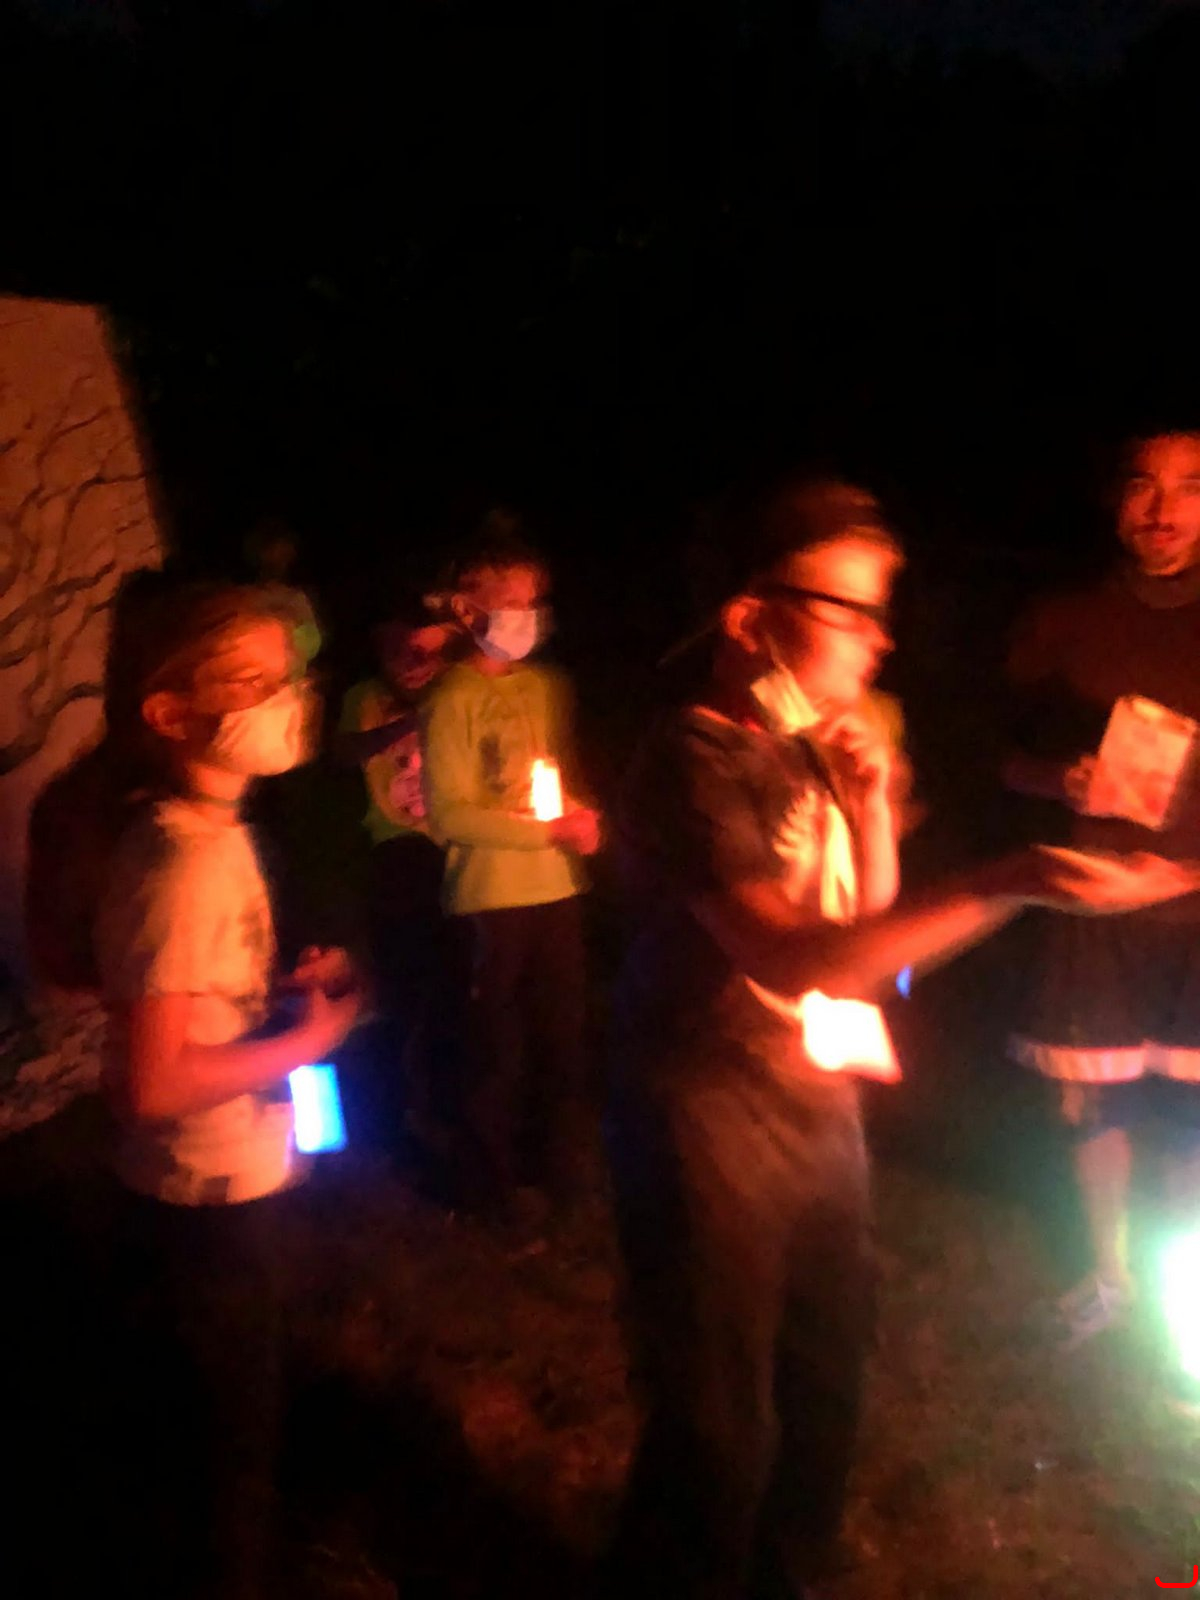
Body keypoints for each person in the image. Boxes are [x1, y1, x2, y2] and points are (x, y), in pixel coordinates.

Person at [604, 475, 1200, 1600]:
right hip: (704, 1107)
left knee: (825, 1379)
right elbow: (789, 957)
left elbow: (864, 934)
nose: (882, 639)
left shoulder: (810, 744)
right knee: (719, 1420)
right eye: (853, 610)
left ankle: (789, 1573)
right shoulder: (694, 760)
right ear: (751, 618)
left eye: (886, 611)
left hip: (814, 1098)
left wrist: (873, 804)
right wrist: (1013, 878)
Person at [30, 573, 364, 1599]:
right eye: (251, 682)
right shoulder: (180, 861)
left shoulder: (206, 833)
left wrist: (271, 996)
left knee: (221, 1448)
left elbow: (171, 998)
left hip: (217, 1191)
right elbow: (153, 1081)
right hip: (206, 1208)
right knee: (224, 1476)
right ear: (172, 714)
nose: (288, 696)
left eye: (286, 673)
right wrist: (310, 1040)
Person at [1004, 427, 1200, 1361]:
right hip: (1094, 903)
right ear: (1114, 500)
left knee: (1192, 1116)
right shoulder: (1063, 621)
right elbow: (999, 759)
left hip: (1198, 909)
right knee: (1092, 1102)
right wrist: (1060, 780)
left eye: (1190, 486)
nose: (1163, 509)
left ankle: (1185, 1282)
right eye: (1141, 485)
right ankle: (1110, 1275)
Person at [419, 518, 602, 1228]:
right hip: (491, 898)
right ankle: (492, 1186)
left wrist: (580, 819)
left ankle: (561, 1172)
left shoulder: (547, 687)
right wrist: (545, 832)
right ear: (469, 611)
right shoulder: (450, 698)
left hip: (557, 889)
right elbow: (450, 814)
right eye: (512, 603)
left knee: (563, 1037)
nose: (527, 617)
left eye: (533, 602)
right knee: (496, 1048)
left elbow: (550, 777)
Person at [335, 596, 460, 1159]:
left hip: (455, 846)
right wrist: (411, 722)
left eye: (415, 649)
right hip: (396, 849)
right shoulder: (364, 699)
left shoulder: (457, 687)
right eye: (391, 651)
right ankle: (395, 1117)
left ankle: (445, 1103)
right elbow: (345, 751)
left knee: (454, 985)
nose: (405, 663)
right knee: (403, 984)